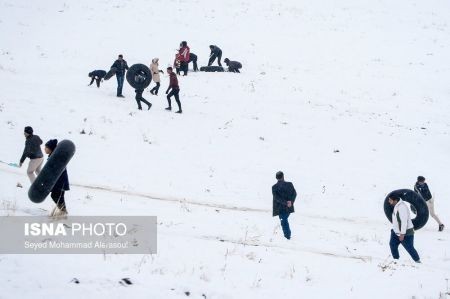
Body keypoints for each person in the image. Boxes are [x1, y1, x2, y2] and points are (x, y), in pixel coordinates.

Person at [388, 194, 421, 263]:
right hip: (396, 232)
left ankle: (418, 261)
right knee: (392, 244)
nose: (389, 201)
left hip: (406, 232)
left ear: (395, 200)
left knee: (409, 248)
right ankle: (396, 260)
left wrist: (402, 234)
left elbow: (404, 221)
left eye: (390, 200)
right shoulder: (396, 206)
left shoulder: (402, 207)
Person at [44, 139, 69, 217]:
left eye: (46, 147)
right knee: (58, 196)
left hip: (60, 182)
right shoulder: (52, 156)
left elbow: (59, 169)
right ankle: (63, 211)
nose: (44, 149)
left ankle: (63, 211)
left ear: (50, 148)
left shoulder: (55, 157)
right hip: (58, 182)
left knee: (56, 196)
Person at [272, 171, 297, 240]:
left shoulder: (274, 187)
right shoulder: (289, 184)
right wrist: (290, 202)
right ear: (283, 176)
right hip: (288, 207)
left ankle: (287, 237)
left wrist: (288, 202)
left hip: (280, 209)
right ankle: (287, 236)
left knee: (284, 221)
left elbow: (276, 198)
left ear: (276, 178)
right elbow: (294, 194)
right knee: (284, 220)